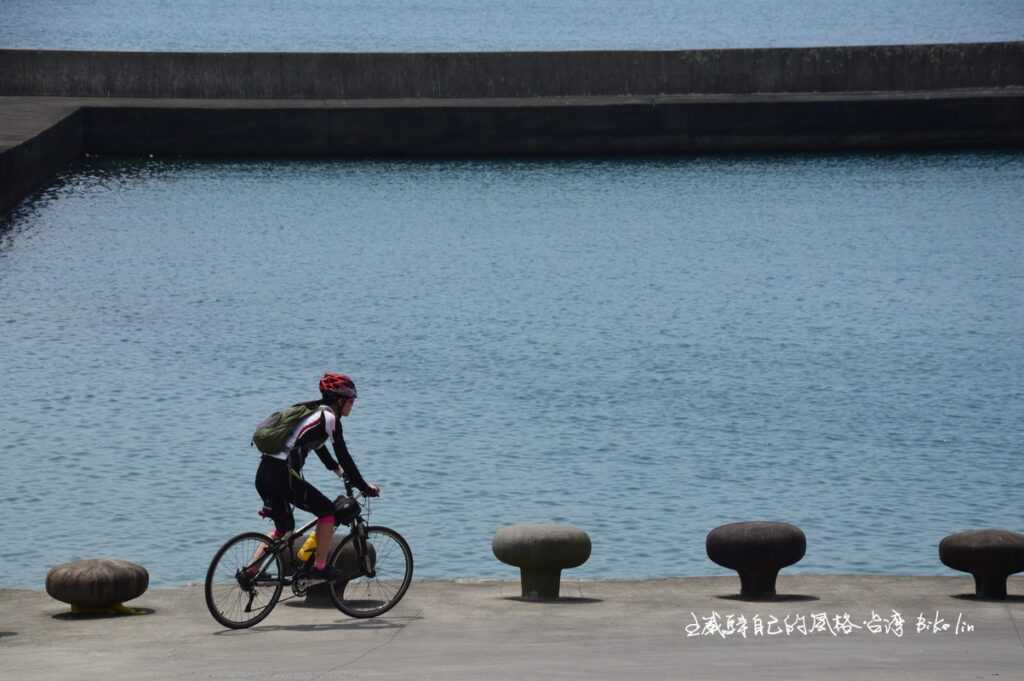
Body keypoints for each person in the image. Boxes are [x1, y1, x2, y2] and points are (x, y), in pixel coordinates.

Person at [255, 372, 380, 581]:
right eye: (351, 400)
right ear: (339, 400)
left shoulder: (313, 414)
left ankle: (251, 572)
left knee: (283, 528)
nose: (353, 405)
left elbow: (318, 448)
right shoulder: (330, 418)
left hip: (265, 472)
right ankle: (320, 568)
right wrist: (364, 486)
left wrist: (337, 471)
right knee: (327, 513)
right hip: (282, 475)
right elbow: (344, 455)